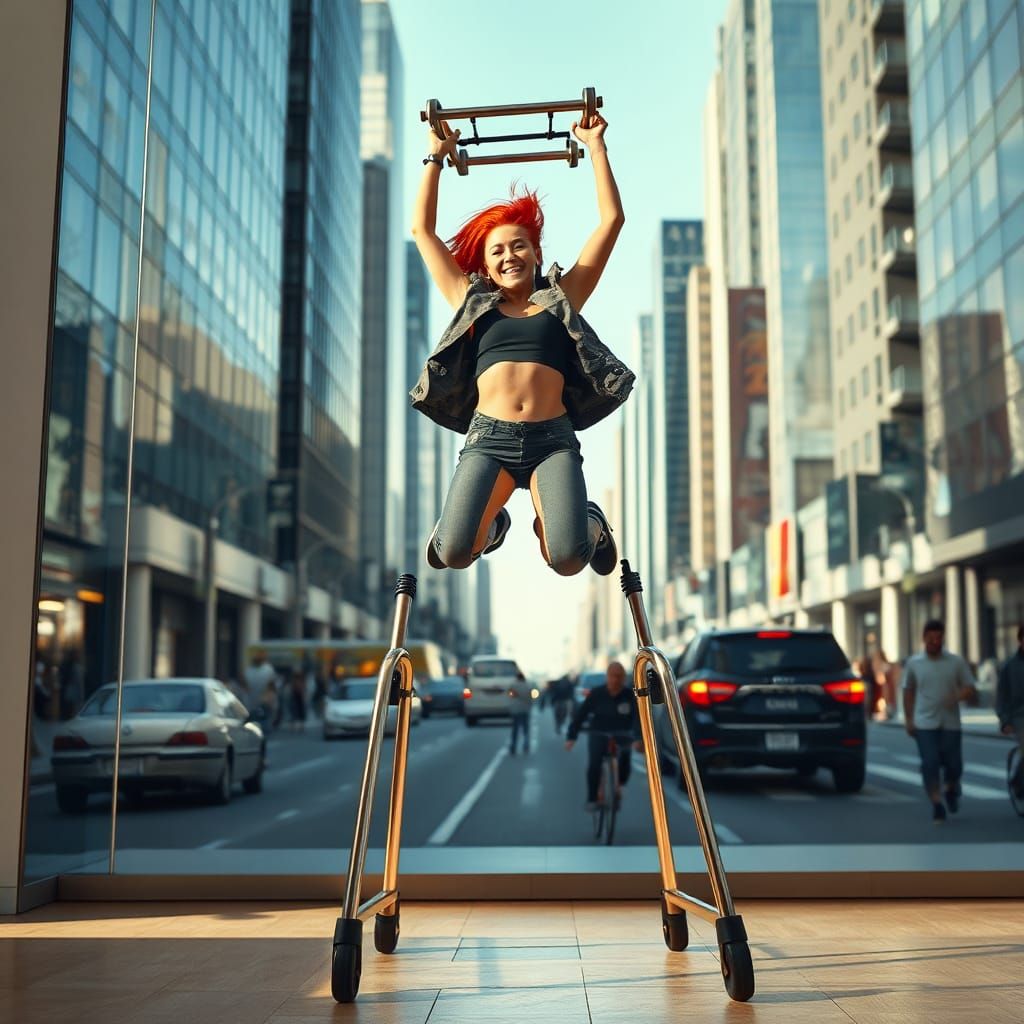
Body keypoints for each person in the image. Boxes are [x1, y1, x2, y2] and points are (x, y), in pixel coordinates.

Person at [410, 110, 634, 578]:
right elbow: (422, 233)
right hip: (488, 439)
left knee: (568, 559)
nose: (509, 255)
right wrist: (435, 157)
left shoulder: (562, 297)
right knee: (451, 552)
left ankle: (591, 522)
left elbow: (612, 221)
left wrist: (596, 147)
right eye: (497, 251)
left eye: (518, 246)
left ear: (535, 253)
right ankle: (493, 525)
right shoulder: (471, 302)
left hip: (552, 440)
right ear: (486, 265)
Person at [902, 619, 978, 823]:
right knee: (930, 762)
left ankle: (951, 788)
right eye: (931, 638)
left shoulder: (956, 662)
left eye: (938, 638)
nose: (935, 642)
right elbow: (908, 691)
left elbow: (970, 687)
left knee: (954, 765)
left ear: (943, 638)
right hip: (924, 722)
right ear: (924, 638)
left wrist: (957, 696)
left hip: (950, 722)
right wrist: (909, 719)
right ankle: (937, 803)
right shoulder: (914, 663)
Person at [565, 661, 643, 810]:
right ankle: (592, 799)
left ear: (623, 678)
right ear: (607, 676)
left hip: (622, 733)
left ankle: (619, 786)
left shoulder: (629, 695)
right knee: (594, 763)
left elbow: (638, 719)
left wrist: (639, 739)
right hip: (598, 732)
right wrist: (571, 737)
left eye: (619, 676)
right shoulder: (596, 693)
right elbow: (581, 715)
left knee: (625, 758)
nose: (616, 679)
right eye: (613, 676)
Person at [996, 624, 1024, 797]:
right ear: (1020, 641)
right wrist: (1005, 721)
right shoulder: (1009, 666)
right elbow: (1001, 697)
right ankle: (1018, 781)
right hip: (1019, 716)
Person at [507, 674, 533, 756]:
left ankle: (513, 746)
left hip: (515, 709)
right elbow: (531, 697)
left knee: (515, 729)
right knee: (526, 728)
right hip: (525, 709)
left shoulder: (513, 685)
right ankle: (526, 744)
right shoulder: (528, 686)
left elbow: (510, 695)